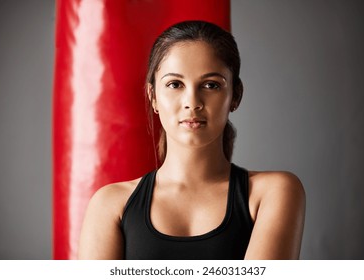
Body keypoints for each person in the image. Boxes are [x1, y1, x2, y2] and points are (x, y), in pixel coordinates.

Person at [78, 20, 305, 260]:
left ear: (235, 95)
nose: (192, 102)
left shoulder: (273, 192)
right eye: (175, 84)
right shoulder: (110, 205)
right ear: (153, 96)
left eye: (210, 85)